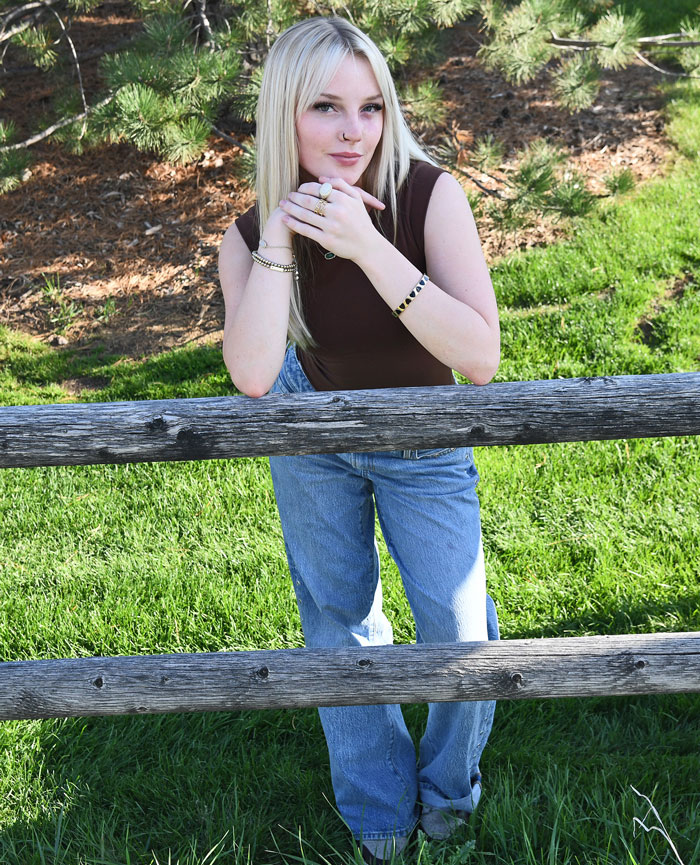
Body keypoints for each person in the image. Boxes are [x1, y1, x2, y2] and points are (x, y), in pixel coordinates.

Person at [218, 16, 500, 864]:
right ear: (283, 116)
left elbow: (479, 356)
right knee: (339, 618)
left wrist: (368, 248)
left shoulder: (426, 195)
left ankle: (449, 799)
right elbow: (256, 375)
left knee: (458, 629)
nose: (353, 131)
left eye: (372, 107)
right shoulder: (244, 236)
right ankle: (380, 819)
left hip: (422, 422)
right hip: (313, 419)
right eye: (327, 108)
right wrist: (278, 234)